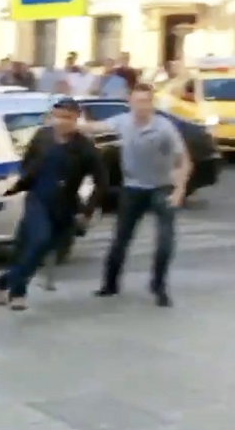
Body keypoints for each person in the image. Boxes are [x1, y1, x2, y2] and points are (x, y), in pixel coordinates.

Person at [0, 97, 107, 310]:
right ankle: (18, 292)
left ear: (76, 118)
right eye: (58, 116)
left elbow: (102, 181)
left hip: (65, 206)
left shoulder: (84, 147)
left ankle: (2, 282)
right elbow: (27, 163)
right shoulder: (42, 137)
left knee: (40, 251)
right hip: (38, 200)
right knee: (38, 240)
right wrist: (26, 180)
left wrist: (87, 210)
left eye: (68, 117)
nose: (62, 122)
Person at [82, 83, 192, 307]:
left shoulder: (164, 128)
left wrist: (179, 190)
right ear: (130, 103)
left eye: (146, 101)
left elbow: (185, 161)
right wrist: (70, 125)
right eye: (138, 101)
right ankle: (110, 284)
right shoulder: (123, 121)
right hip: (132, 189)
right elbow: (95, 127)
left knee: (165, 240)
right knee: (120, 239)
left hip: (161, 187)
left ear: (152, 103)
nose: (142, 106)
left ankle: (158, 285)